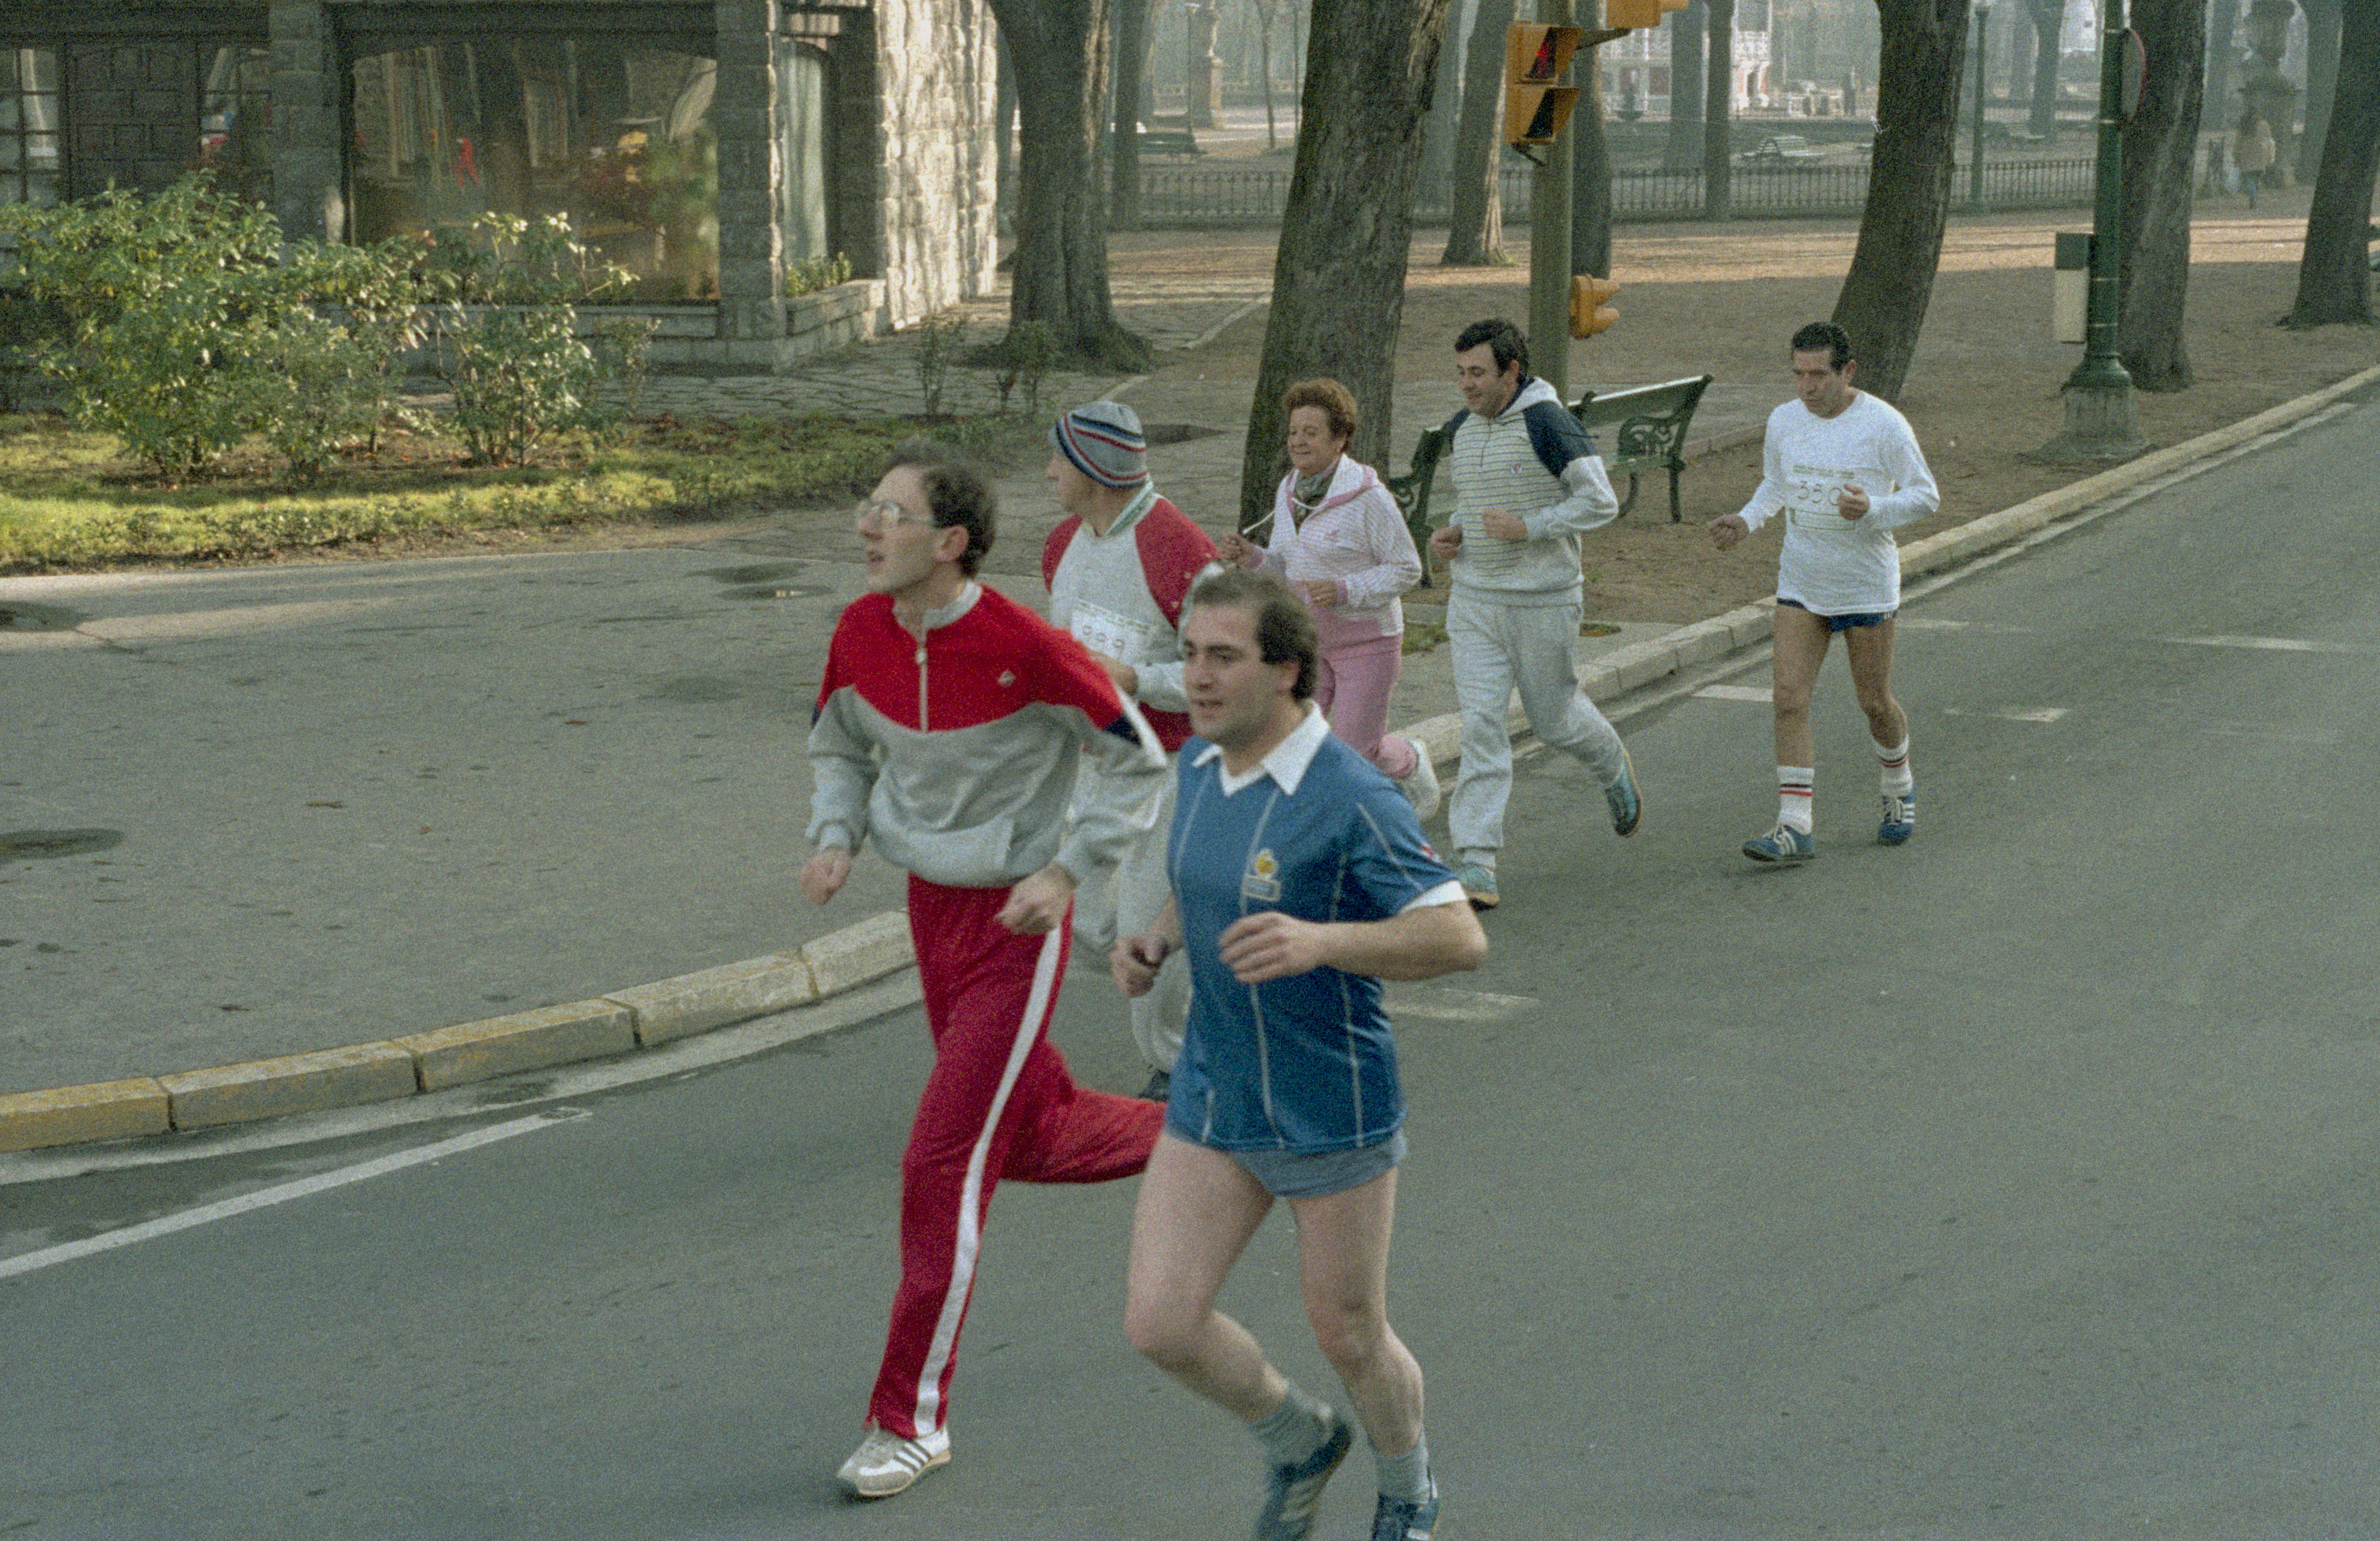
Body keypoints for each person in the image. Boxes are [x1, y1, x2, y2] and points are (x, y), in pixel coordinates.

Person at [804, 442, 1170, 1499]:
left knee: (942, 1161)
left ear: (951, 541)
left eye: (892, 513)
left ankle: (909, 1421)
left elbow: (1136, 755)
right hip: (931, 912)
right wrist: (835, 834)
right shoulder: (859, 632)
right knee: (1035, 1133)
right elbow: (838, 745)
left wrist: (1065, 873)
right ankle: (1227, 1121)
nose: (867, 527)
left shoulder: (1023, 646)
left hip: (1018, 923)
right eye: (868, 507)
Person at [1113, 567, 1489, 1541]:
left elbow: (1458, 937)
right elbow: (1206, 877)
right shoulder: (1202, 765)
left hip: (1328, 1101)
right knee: (1160, 1321)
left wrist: (1322, 940)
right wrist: (1157, 938)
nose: (1196, 677)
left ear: (1285, 670)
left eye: (1222, 657)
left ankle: (1407, 1489)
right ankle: (1298, 1439)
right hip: (1216, 1088)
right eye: (1189, 654)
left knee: (1348, 1333)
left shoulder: (1350, 795)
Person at [1424, 317, 1642, 911]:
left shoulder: (1548, 423)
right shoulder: (1462, 428)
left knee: (1553, 718)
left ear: (1512, 371)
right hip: (1475, 601)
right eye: (1461, 373)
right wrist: (1452, 535)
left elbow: (1600, 501)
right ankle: (1476, 859)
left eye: (1478, 373)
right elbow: (1474, 502)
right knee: (1481, 725)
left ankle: (1611, 763)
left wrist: (1532, 527)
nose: (1467, 385)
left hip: (1544, 601)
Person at [1041, 400, 1222, 1100]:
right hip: (1093, 765)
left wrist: (1137, 678)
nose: (1047, 471)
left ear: (1094, 469)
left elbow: (1220, 672)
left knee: (1148, 926)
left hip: (1168, 767)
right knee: (1084, 922)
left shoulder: (1180, 551)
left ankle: (1176, 1069)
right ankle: (1217, 973)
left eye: (1058, 458)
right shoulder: (1061, 546)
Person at [1708, 320, 1940, 863]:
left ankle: (1898, 785)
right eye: (1798, 374)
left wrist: (1874, 508)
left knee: (1874, 702)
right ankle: (1795, 825)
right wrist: (1747, 520)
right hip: (1802, 581)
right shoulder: (1783, 420)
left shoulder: (1884, 424)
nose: (1807, 387)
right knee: (1788, 698)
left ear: (1847, 371)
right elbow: (1777, 483)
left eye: (1818, 375)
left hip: (1864, 585)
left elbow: (1926, 496)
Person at [1216, 376, 1439, 821]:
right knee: (1298, 741)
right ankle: (1310, 828)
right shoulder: (1290, 490)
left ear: (1341, 439)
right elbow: (1286, 566)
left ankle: (1410, 761)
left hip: (1368, 642)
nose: (1298, 441)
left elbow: (1407, 567)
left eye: (1311, 432)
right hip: (1311, 642)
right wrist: (1253, 557)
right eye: (1293, 431)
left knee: (1358, 752)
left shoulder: (1369, 497)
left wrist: (1345, 589)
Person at [2236, 112, 2276, 208]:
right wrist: (2270, 156)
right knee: (2257, 176)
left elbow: (2238, 141)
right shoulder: (2264, 124)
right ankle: (2254, 193)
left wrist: (2236, 155)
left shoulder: (2244, 125)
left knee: (2248, 176)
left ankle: (2252, 195)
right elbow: (2269, 140)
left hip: (2246, 153)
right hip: (2261, 153)